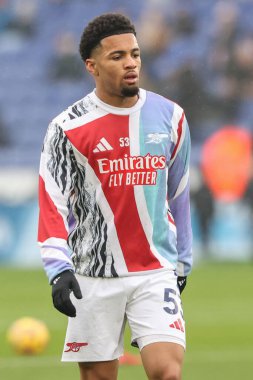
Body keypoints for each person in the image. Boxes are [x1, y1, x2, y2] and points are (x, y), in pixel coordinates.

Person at [38, 13, 192, 380]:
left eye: (135, 54)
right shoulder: (67, 128)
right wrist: (58, 270)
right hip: (94, 274)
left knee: (167, 373)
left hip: (155, 270)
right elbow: (52, 202)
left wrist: (182, 261)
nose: (131, 63)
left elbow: (180, 194)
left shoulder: (170, 117)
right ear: (92, 66)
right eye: (118, 56)